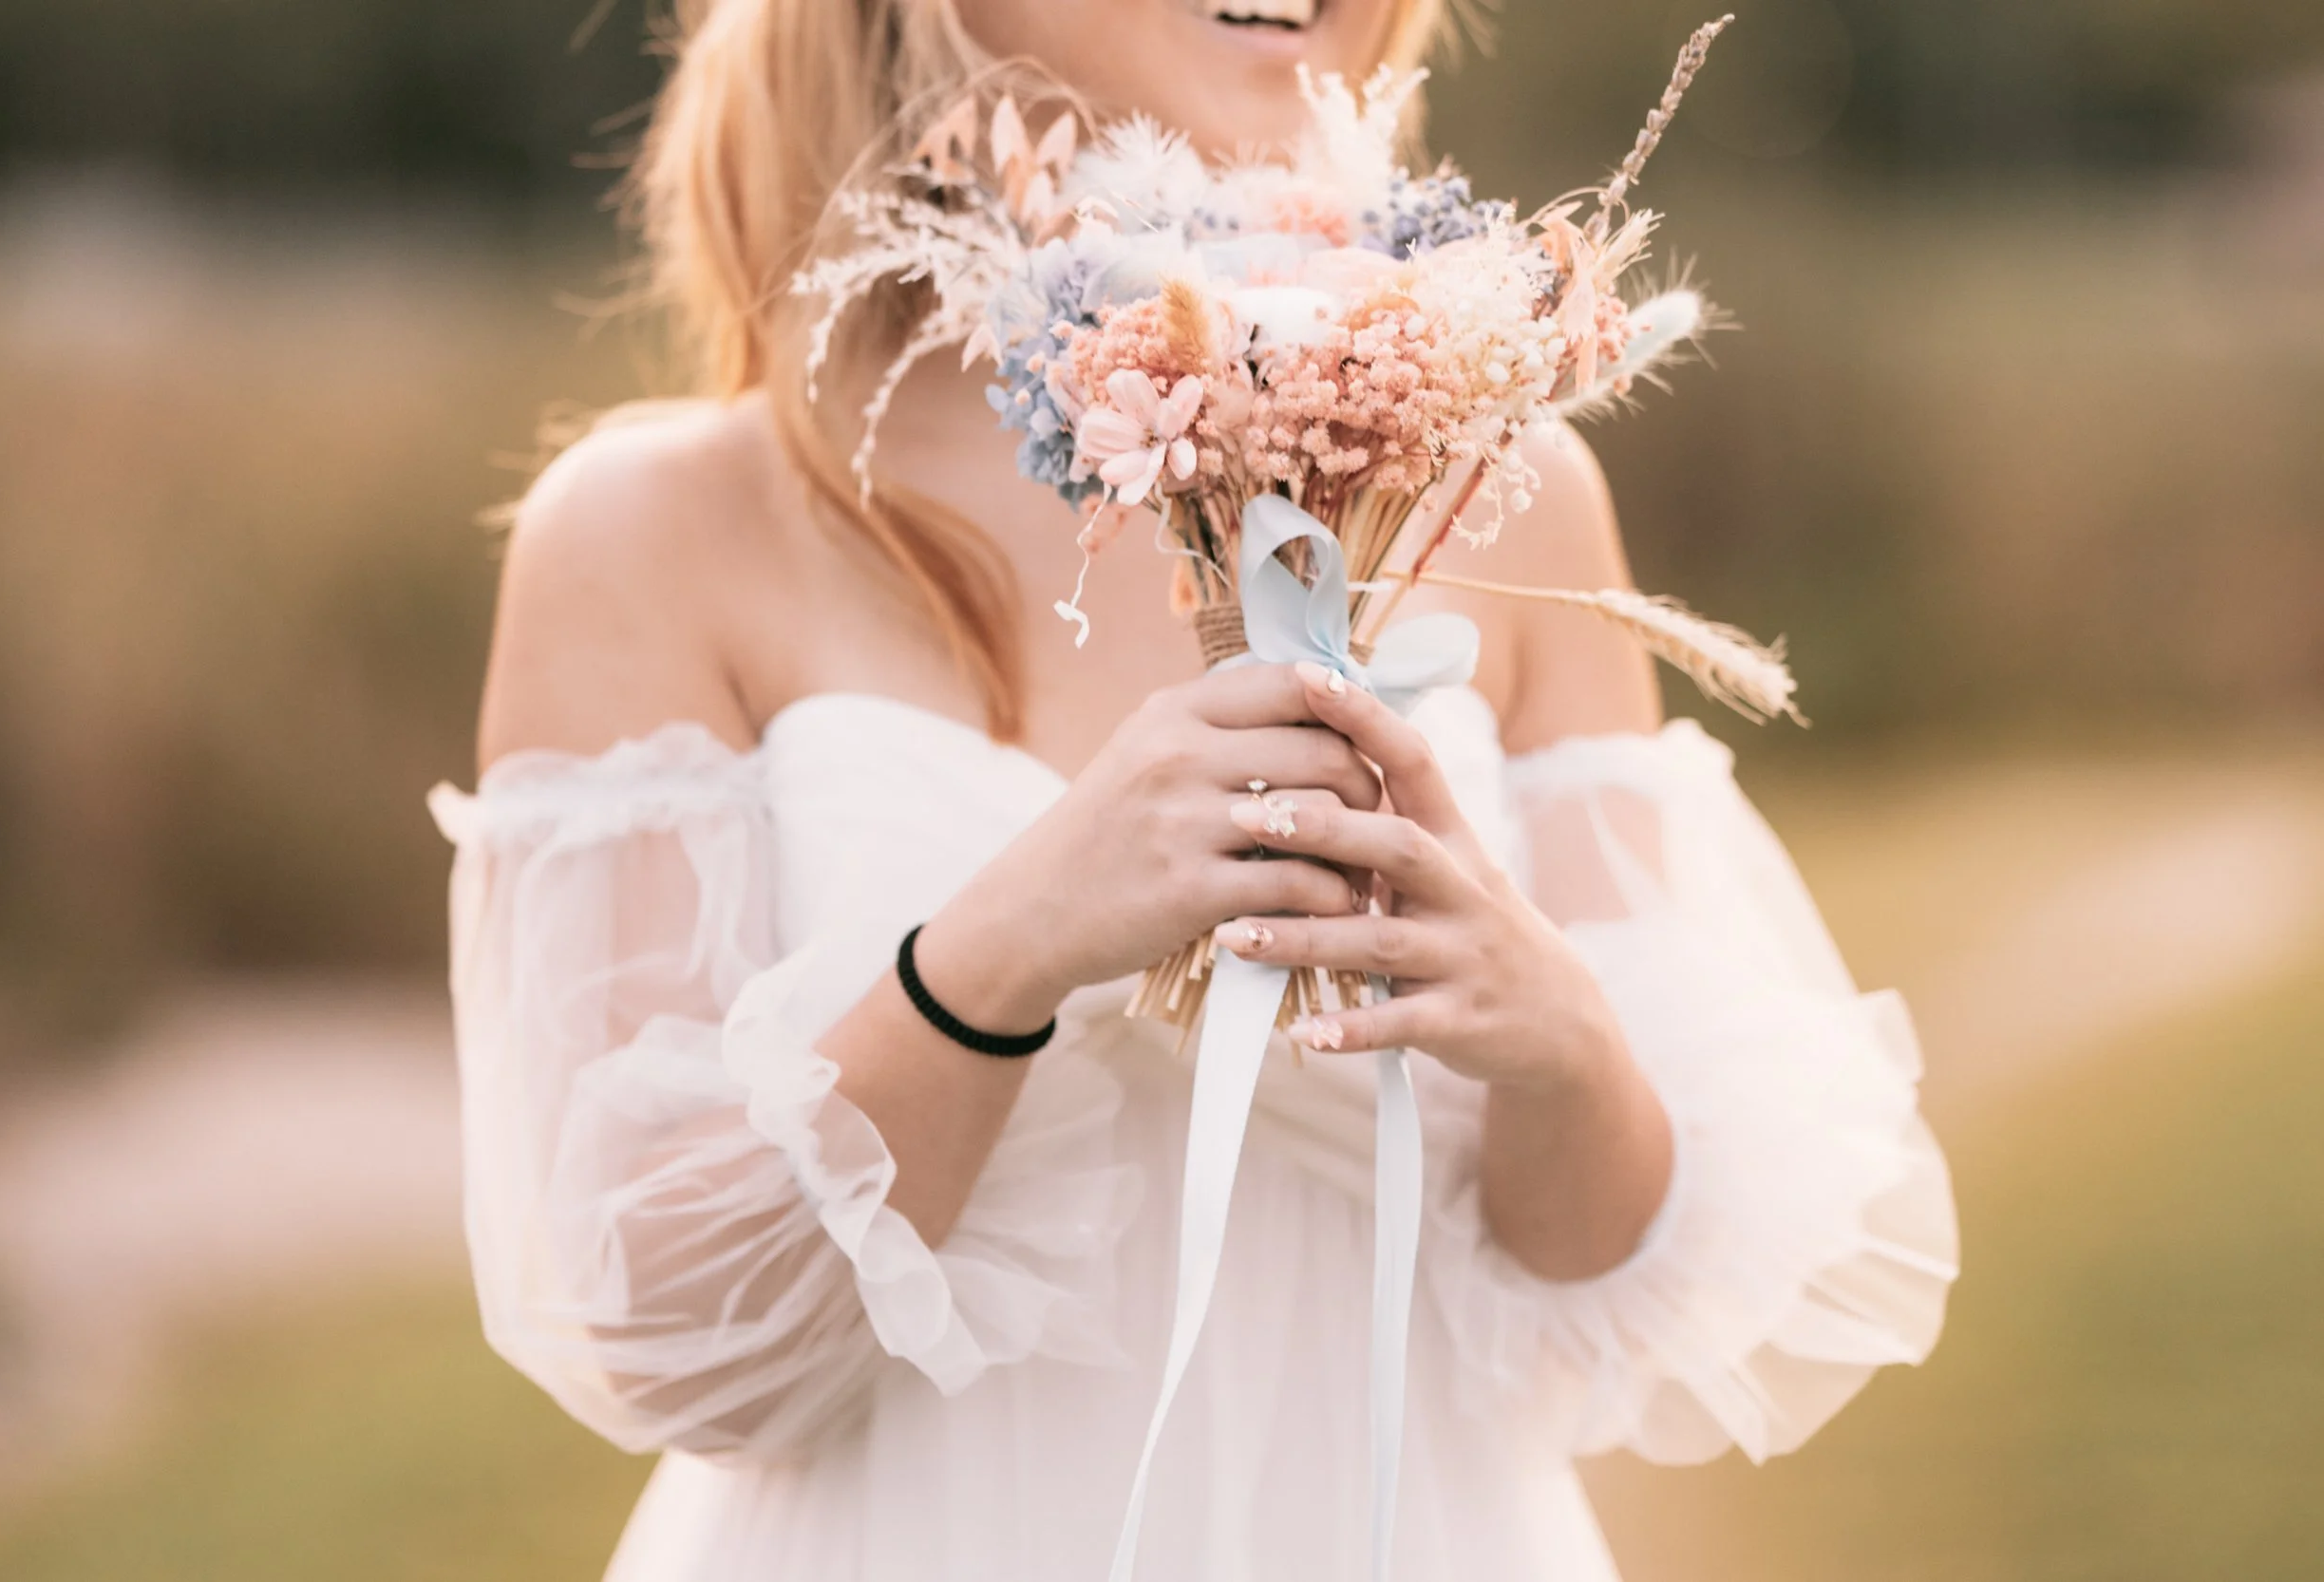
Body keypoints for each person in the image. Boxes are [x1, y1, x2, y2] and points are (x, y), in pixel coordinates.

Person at [430, 2, 1958, 1576]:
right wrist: (1010, 944)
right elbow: (676, 1337)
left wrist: (1557, 1041)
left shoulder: (1512, 498)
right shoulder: (661, 530)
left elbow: (1599, 1289)